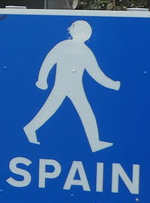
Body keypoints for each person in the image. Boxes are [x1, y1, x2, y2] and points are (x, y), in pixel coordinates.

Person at [23, 20, 120, 152]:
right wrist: (42, 80)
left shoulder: (85, 52)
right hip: (63, 86)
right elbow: (48, 61)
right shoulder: (65, 47)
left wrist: (113, 85)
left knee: (81, 113)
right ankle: (30, 128)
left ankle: (95, 143)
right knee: (59, 111)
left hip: (74, 88)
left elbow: (96, 73)